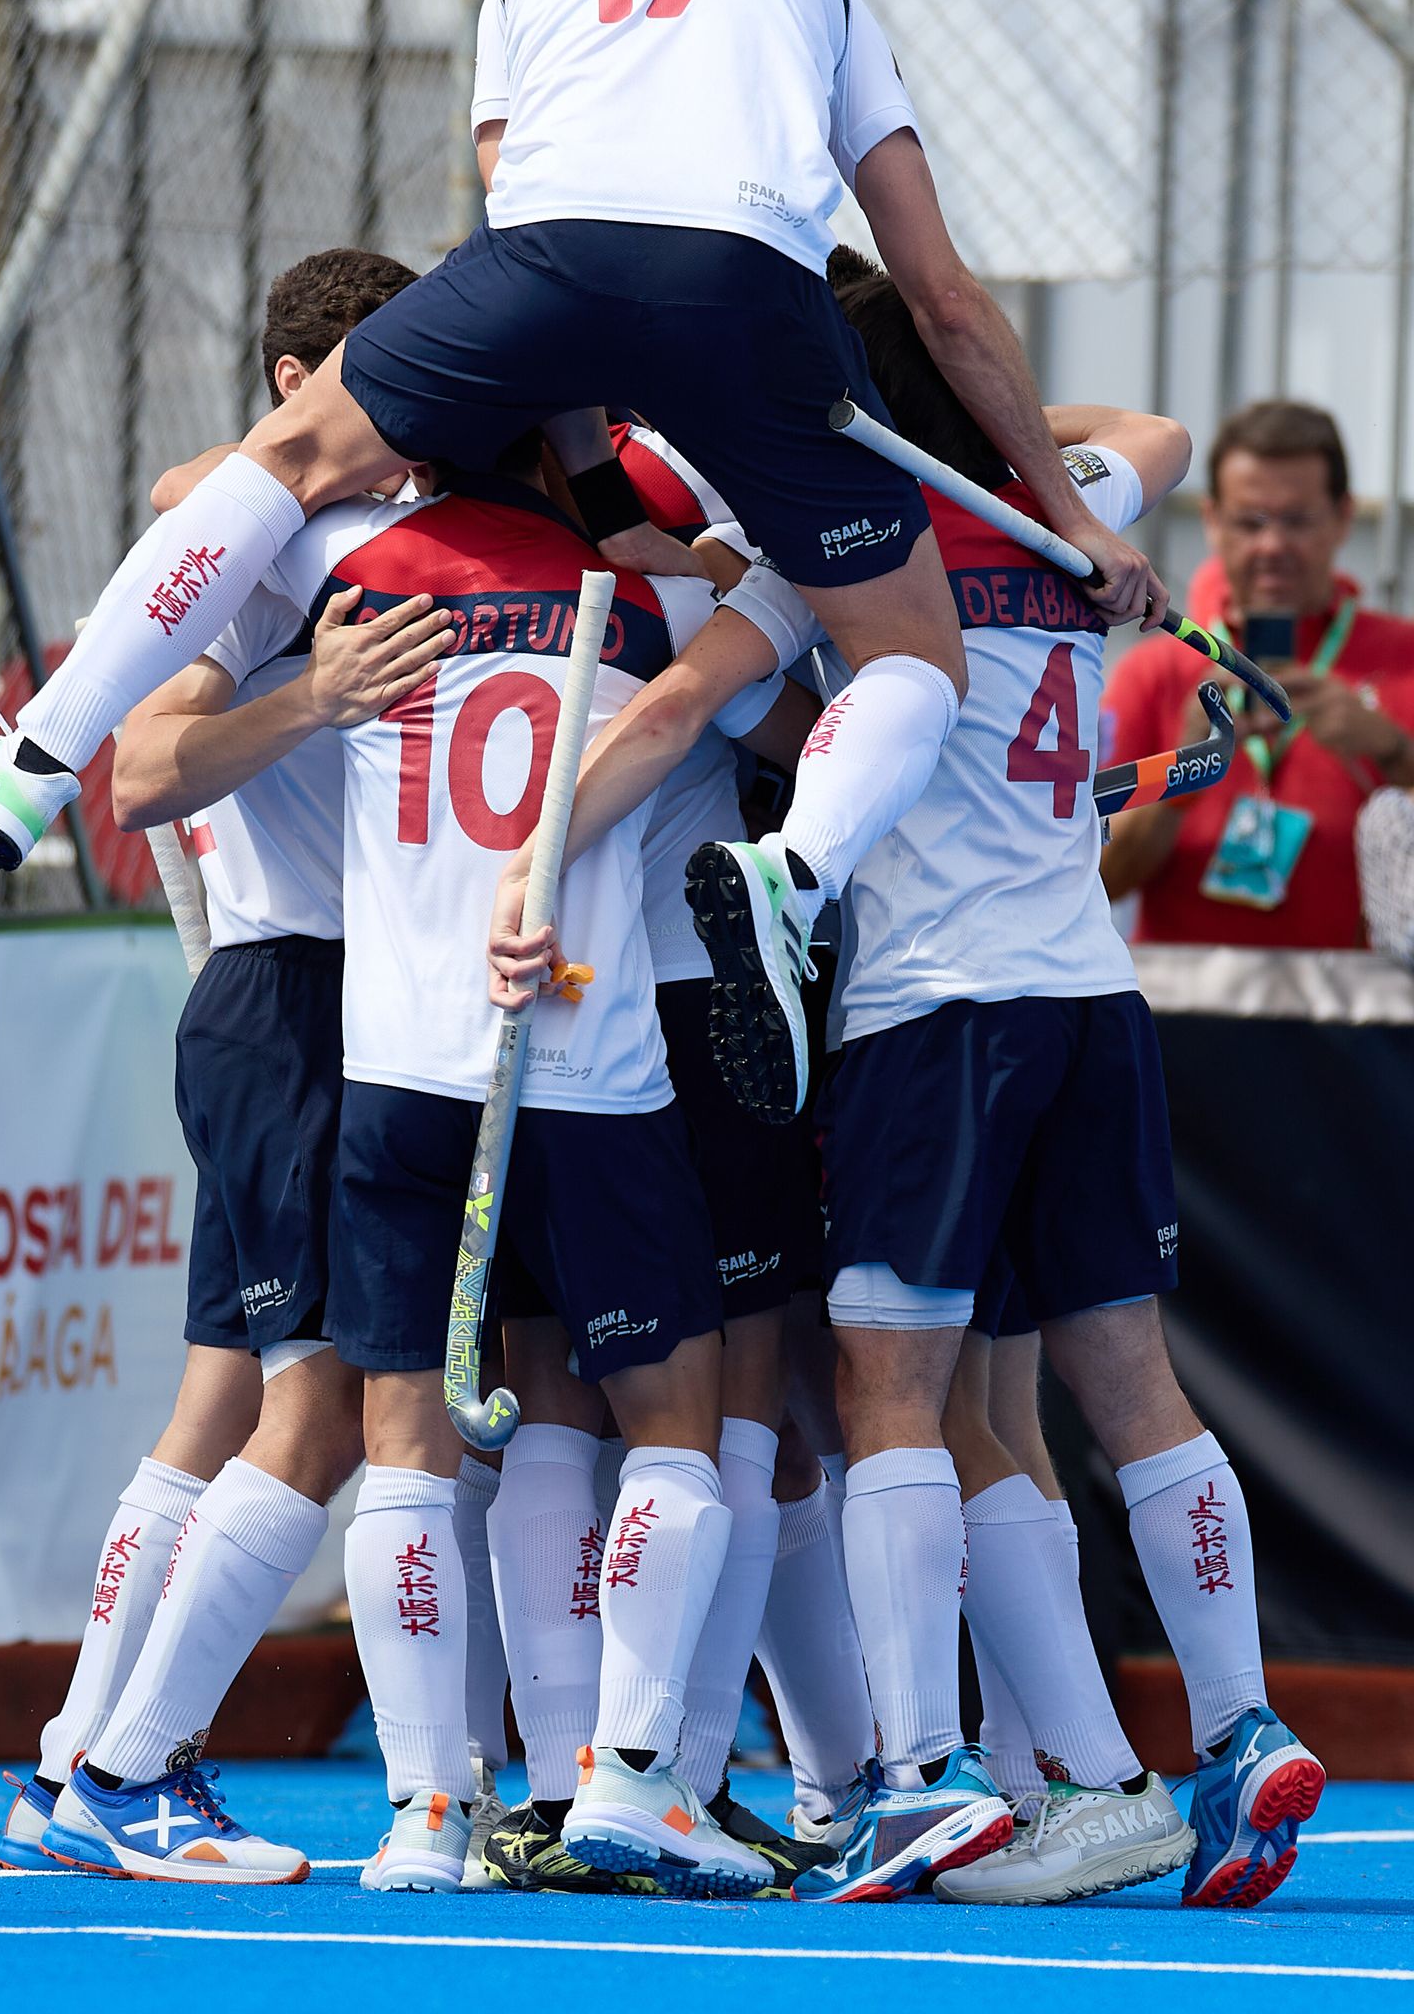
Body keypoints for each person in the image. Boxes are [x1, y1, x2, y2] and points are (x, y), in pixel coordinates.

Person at [0, 0, 1161, 1131]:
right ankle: (793, 872)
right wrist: (1071, 515)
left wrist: (597, 492)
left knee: (286, 455)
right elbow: (942, 298)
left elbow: (525, 210)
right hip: (747, 279)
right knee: (910, 656)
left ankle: (34, 763)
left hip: (546, 259)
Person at [492, 273, 1324, 1911]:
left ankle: (916, 1777)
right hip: (1092, 999)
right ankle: (1237, 1728)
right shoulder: (1067, 510)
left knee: (889, 1392)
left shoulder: (841, 538)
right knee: (1125, 1389)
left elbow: (676, 709)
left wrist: (521, 870)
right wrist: (1006, 445)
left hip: (934, 1014)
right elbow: (1154, 432)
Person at [224, 436, 813, 1896]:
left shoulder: (346, 562)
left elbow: (205, 496)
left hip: (400, 1069)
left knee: (405, 1443)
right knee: (672, 1421)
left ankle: (426, 1811)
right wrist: (717, 559)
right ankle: (629, 1780)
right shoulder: (652, 597)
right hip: (590, 1068)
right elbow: (799, 721)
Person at [5, 250, 451, 1882]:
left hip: (320, 1004)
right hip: (298, 1002)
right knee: (321, 1413)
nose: (409, 414)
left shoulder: (339, 530)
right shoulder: (263, 549)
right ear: (297, 385)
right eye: (378, 380)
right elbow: (142, 768)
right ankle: (136, 1770)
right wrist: (315, 701)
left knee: (221, 1404)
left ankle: (72, 1759)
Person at [1102, 398, 1414, 947]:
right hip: (1184, 994)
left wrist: (1394, 753)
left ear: (1343, 518)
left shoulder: (1403, 658)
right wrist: (1183, 772)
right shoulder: (1153, 673)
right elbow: (1096, 879)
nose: (1272, 545)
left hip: (1363, 996)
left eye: (1297, 520)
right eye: (1251, 522)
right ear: (1212, 521)